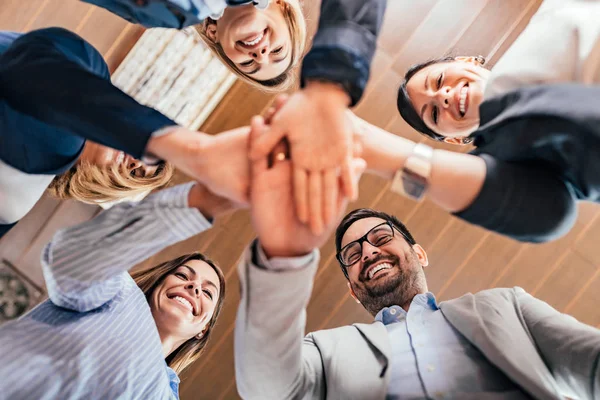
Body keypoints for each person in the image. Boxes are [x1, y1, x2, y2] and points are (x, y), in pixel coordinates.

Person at [235, 196, 600, 398]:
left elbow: (591, 361)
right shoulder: (322, 350)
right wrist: (282, 254)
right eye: (352, 255)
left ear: (419, 254)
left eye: (380, 237)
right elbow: (268, 389)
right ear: (352, 289)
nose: (368, 252)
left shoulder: (506, 305)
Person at [81, 0, 388, 235]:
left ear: (215, 34)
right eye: (278, 50)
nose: (260, 54)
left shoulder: (159, 13)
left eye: (250, 65)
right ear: (282, 7)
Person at [0, 27, 253, 238]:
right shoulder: (87, 70)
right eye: (147, 158)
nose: (136, 160)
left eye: (135, 173)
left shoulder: (23, 197)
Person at [389, 0, 600, 242]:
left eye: (438, 81)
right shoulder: (506, 170)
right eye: (434, 113)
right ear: (455, 139)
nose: (444, 96)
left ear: (466, 61)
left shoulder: (552, 15)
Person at [0, 181, 234, 399]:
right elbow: (69, 256)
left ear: (203, 329)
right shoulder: (117, 290)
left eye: (207, 292)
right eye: (182, 275)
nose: (194, 286)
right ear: (158, 285)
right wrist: (197, 201)